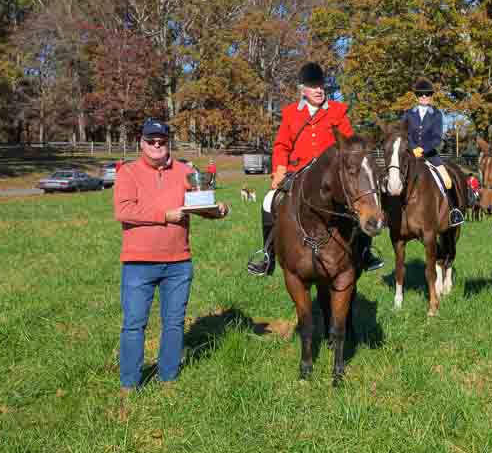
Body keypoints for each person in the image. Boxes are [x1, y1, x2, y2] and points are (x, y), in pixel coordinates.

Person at [113, 118, 229, 395]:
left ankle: (169, 379)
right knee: (133, 325)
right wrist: (164, 216)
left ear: (168, 143)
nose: (156, 145)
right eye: (151, 141)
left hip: (178, 262)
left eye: (161, 141)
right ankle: (129, 384)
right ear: (141, 143)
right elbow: (124, 210)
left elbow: (198, 203)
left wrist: (216, 209)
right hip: (138, 263)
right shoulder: (128, 172)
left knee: (174, 323)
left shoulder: (185, 171)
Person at [247, 62, 383, 276]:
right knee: (267, 201)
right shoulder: (291, 113)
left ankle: (365, 251)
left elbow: (350, 144)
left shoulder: (337, 111)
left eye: (321, 85)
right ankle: (268, 254)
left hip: (331, 175)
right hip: (298, 172)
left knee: (357, 200)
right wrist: (279, 170)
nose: (319, 90)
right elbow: (282, 146)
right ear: (302, 89)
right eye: (313, 86)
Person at [402, 77, 464, 227]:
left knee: (448, 180)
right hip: (410, 155)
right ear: (416, 96)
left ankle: (454, 211)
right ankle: (388, 212)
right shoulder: (408, 114)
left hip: (430, 156)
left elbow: (437, 137)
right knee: (393, 177)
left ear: (431, 96)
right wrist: (412, 147)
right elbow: (404, 133)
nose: (424, 97)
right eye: (421, 94)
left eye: (427, 94)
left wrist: (423, 149)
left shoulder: (437, 114)